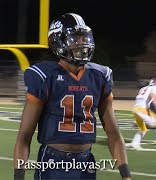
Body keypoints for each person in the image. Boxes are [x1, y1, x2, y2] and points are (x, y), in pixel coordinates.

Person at [13, 13, 131, 180]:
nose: (83, 43)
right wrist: (19, 176)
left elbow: (113, 134)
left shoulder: (99, 76)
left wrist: (126, 175)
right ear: (57, 41)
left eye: (85, 38)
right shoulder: (45, 76)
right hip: (52, 162)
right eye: (75, 38)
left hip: (86, 162)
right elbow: (24, 136)